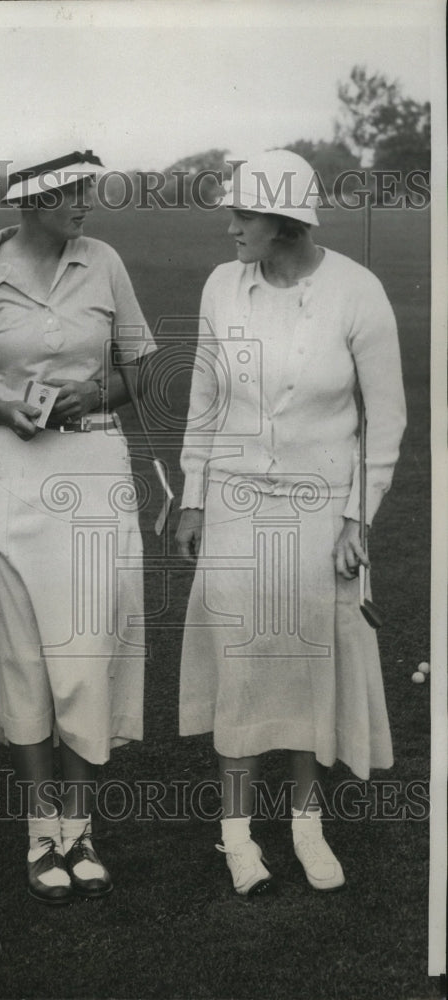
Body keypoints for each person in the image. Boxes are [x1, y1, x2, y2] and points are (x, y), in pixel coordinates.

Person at [175, 150, 406, 897]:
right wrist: (191, 495)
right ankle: (235, 836)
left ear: (283, 221)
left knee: (308, 669)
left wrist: (355, 520)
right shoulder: (220, 284)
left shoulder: (356, 291)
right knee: (238, 669)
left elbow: (385, 419)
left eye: (242, 214)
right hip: (236, 508)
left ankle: (306, 826)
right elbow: (205, 397)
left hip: (318, 513)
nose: (229, 225)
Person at [0, 149, 156, 904]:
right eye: (71, 192)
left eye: (88, 189)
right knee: (23, 660)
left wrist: (92, 395)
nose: (86, 202)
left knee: (86, 655)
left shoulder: (106, 262)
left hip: (93, 471)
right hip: (7, 482)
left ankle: (81, 829)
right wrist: (6, 409)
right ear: (31, 201)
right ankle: (40, 832)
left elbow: (140, 369)